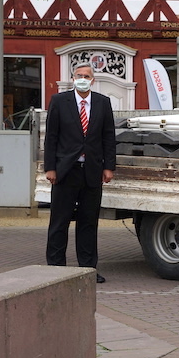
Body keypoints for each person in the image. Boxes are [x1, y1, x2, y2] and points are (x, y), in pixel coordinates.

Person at [44, 62, 116, 284]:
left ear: (93, 80)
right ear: (73, 79)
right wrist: (50, 168)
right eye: (79, 75)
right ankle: (56, 269)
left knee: (88, 222)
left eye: (87, 75)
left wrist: (109, 167)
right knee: (60, 221)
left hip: (92, 171)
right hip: (65, 171)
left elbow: (108, 137)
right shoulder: (59, 101)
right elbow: (51, 137)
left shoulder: (103, 103)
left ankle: (87, 268)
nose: (83, 78)